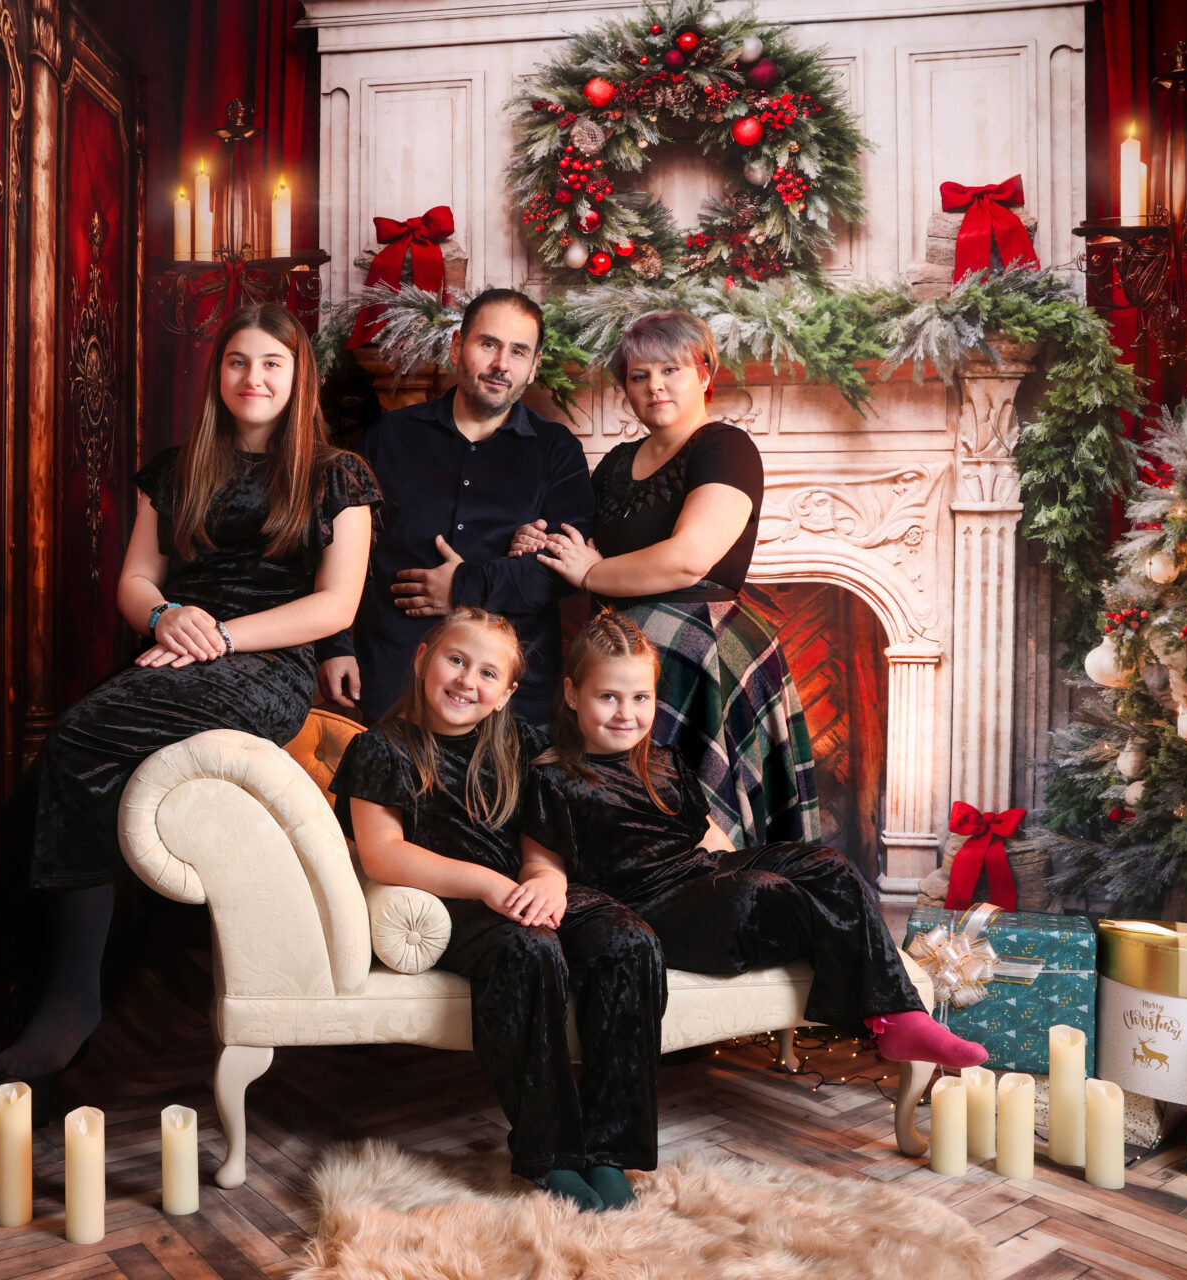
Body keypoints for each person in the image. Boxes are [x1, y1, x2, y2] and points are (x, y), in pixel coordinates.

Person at [0, 304, 380, 1080]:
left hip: (266, 666)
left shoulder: (338, 475)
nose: (254, 378)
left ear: (298, 375)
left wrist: (226, 635)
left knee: (74, 742)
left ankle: (72, 1002)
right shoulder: (176, 469)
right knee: (45, 778)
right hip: (175, 650)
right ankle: (58, 988)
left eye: (272, 362)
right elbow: (134, 580)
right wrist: (169, 615)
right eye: (238, 362)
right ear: (219, 375)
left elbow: (336, 607)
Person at [524, 611, 986, 1071]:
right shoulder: (553, 775)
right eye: (608, 697)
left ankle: (898, 1018)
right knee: (759, 893)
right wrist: (545, 878)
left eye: (640, 697)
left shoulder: (664, 761)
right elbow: (542, 860)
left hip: (699, 876)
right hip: (646, 905)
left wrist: (735, 867)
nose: (627, 713)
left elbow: (708, 835)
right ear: (571, 694)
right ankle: (862, 981)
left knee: (827, 865)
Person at [333, 607, 663, 1212]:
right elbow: (382, 854)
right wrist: (488, 885)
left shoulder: (523, 743)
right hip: (457, 906)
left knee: (629, 939)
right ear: (423, 657)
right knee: (528, 947)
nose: (467, 680)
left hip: (526, 889)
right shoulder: (382, 749)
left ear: (507, 692)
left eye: (488, 672)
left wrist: (548, 880)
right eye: (456, 660)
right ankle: (552, 1152)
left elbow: (544, 841)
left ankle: (608, 1147)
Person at [519, 309, 818, 846]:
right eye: (639, 376)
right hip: (626, 655)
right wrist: (539, 543)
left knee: (697, 825)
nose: (655, 386)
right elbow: (582, 548)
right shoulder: (615, 463)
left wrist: (592, 573)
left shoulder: (725, 447)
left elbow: (689, 558)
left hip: (699, 651)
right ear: (626, 391)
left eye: (670, 370)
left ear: (704, 374)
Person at [317, 289, 594, 726]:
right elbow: (333, 548)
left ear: (533, 366)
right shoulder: (388, 438)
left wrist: (462, 587)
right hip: (393, 677)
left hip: (512, 696)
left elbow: (561, 571)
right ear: (456, 347)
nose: (502, 364)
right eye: (488, 344)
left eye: (518, 351)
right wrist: (335, 647)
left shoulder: (557, 451)